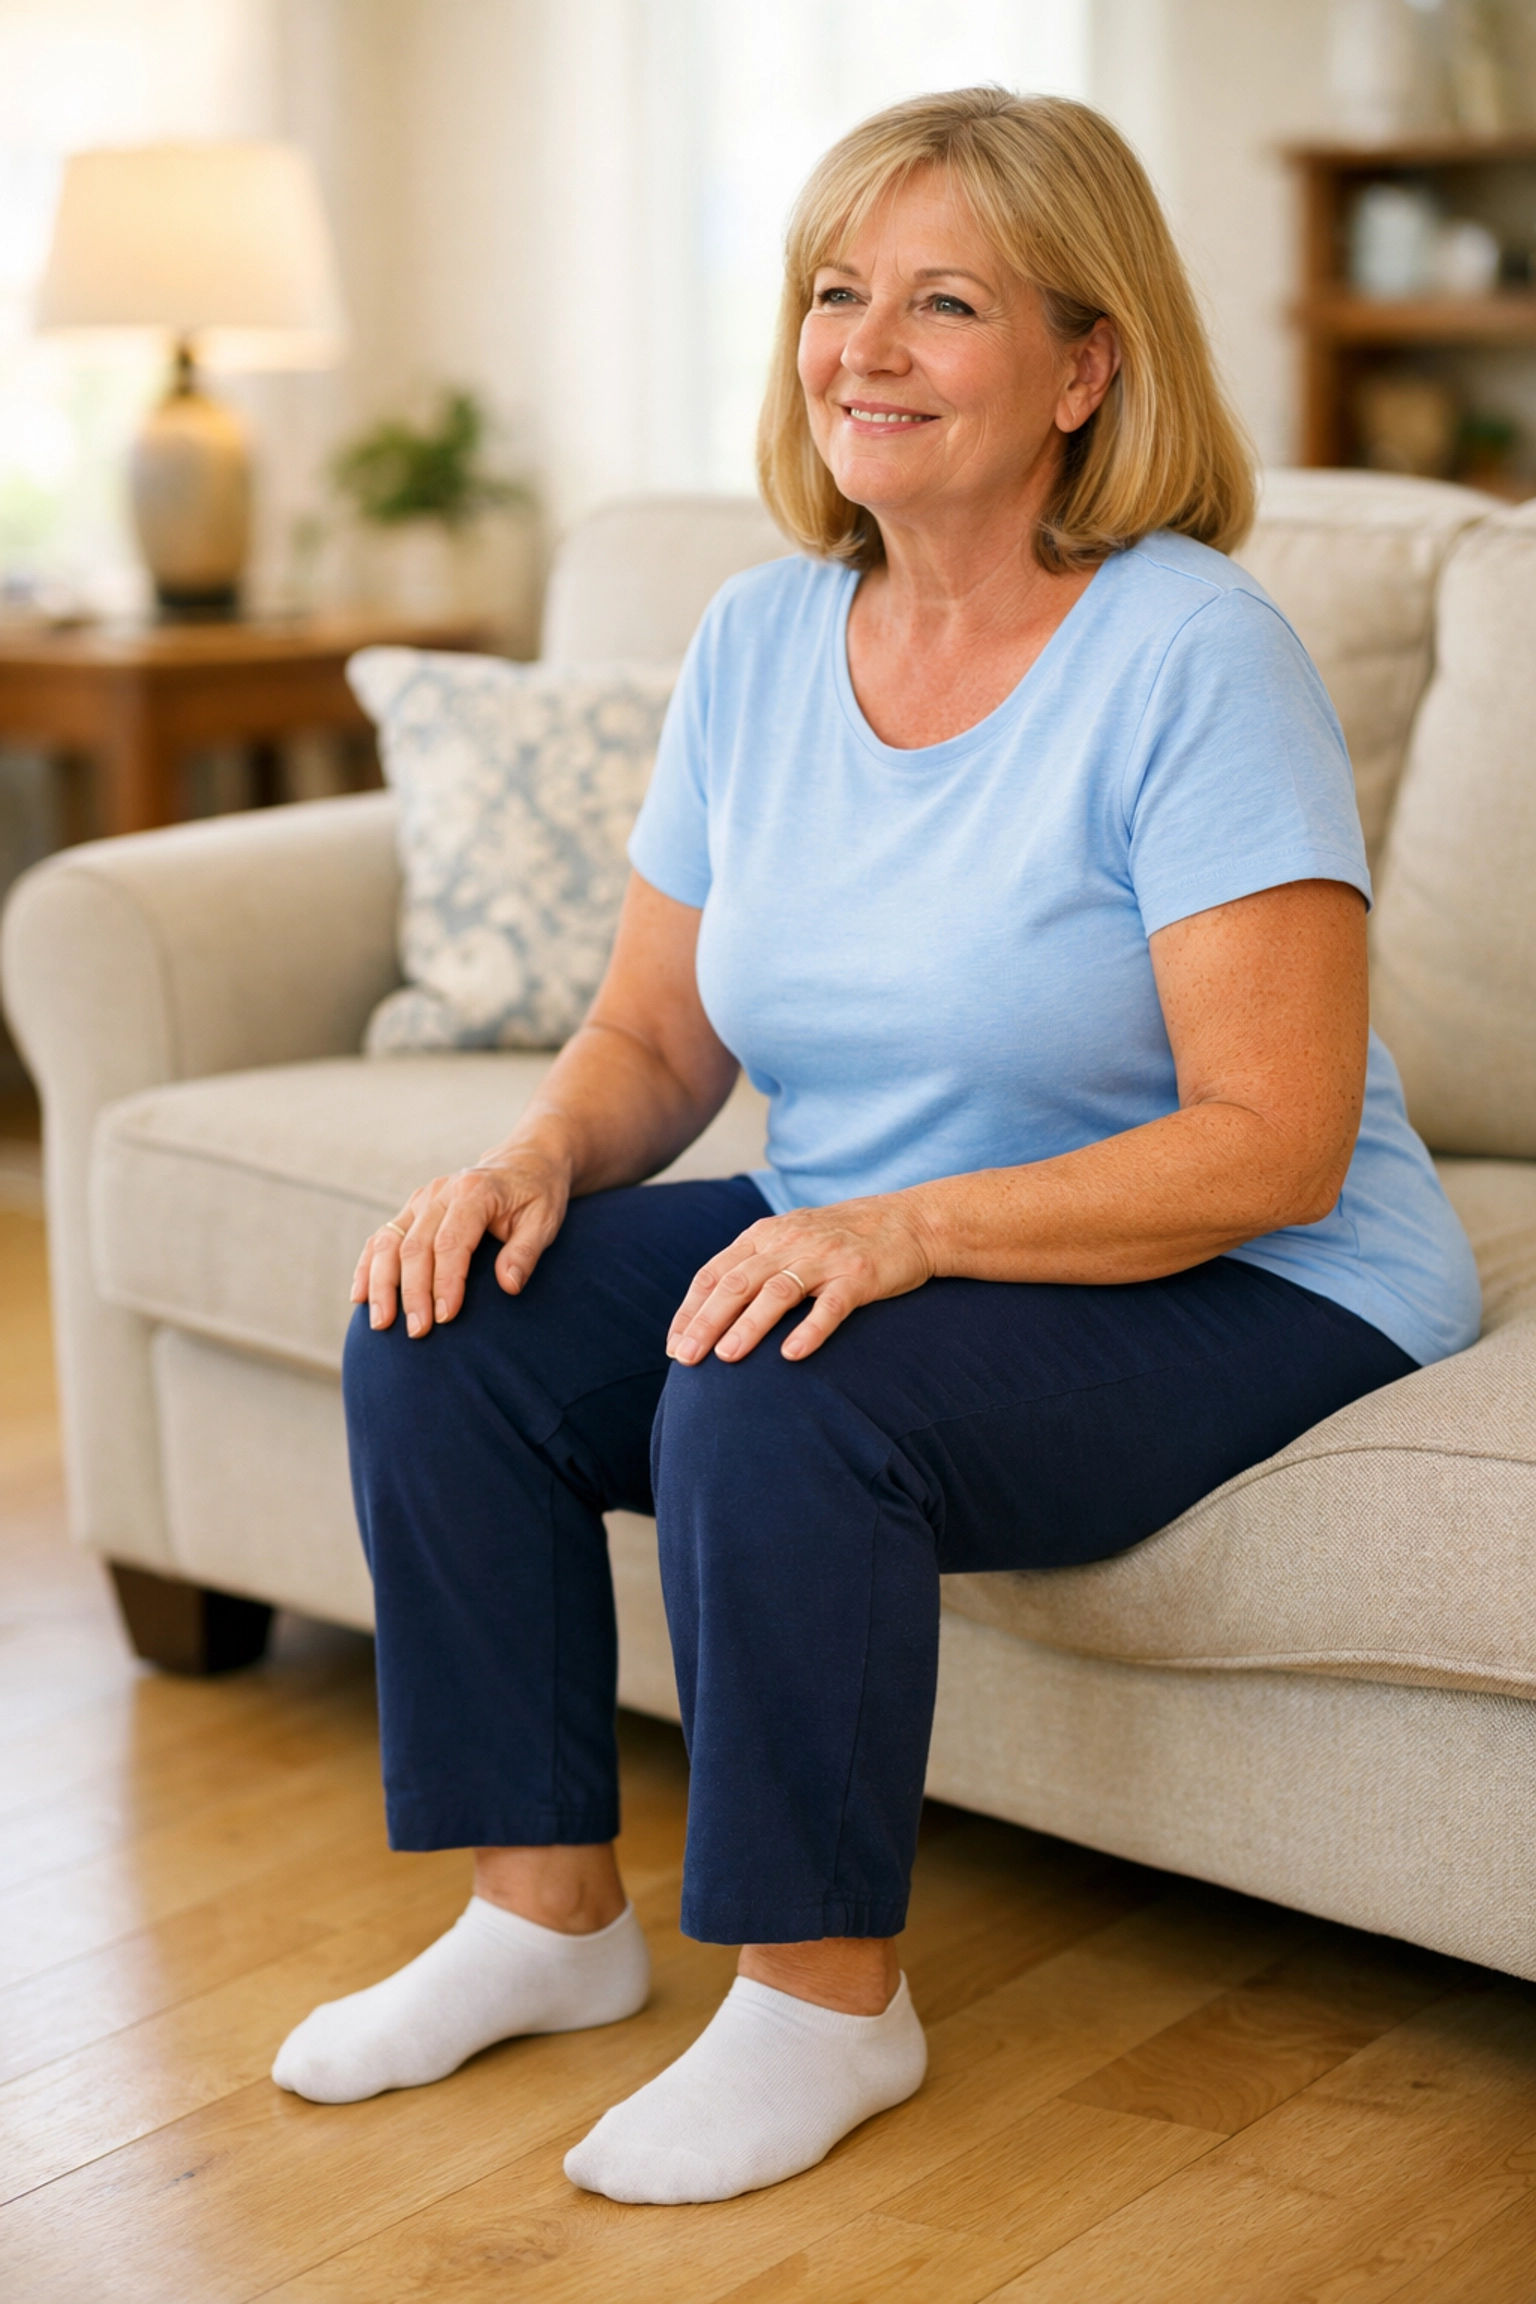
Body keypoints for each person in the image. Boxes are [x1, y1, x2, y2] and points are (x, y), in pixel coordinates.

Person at [270, 88, 1480, 2204]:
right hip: (893, 1229)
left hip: (1253, 1270)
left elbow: (1276, 1143)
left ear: (1087, 366)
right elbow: (657, 1027)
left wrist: (907, 1234)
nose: (867, 348)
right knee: (444, 1319)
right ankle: (539, 1921)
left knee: (774, 1390)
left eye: (945, 302)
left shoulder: (1193, 652)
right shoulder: (755, 641)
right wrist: (535, 1162)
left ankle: (825, 2006)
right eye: (840, 295)